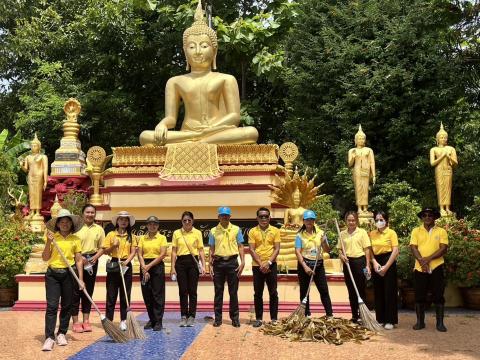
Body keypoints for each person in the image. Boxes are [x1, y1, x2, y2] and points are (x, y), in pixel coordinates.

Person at [139, 1, 258, 146]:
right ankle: (199, 141)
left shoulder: (226, 79)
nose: (197, 51)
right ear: (184, 52)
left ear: (214, 51)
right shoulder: (175, 82)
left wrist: (210, 129)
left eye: (204, 46)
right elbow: (171, 119)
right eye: (191, 46)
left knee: (251, 132)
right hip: (188, 133)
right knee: (145, 136)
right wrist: (162, 125)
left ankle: (195, 143)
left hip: (216, 131)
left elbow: (234, 117)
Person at [41, 209, 84, 351]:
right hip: (53, 274)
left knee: (67, 305)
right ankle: (49, 337)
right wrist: (49, 242)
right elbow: (45, 257)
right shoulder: (52, 237)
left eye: (67, 222)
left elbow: (78, 261)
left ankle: (61, 333)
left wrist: (80, 280)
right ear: (58, 224)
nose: (65, 224)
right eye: (62, 222)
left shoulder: (75, 239)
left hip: (69, 274)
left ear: (71, 224)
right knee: (52, 306)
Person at [409, 207, 448, 332]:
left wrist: (428, 259)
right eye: (424, 215)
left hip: (437, 267)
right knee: (419, 295)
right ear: (421, 217)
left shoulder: (441, 231)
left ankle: (440, 323)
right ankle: (420, 322)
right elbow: (413, 247)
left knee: (438, 295)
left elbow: (443, 248)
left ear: (434, 217)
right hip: (420, 268)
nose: (427, 217)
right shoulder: (416, 231)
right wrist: (422, 261)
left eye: (430, 215)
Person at [209, 206, 245, 327]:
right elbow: (211, 248)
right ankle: (218, 319)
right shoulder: (213, 231)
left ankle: (235, 318)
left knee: (233, 292)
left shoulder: (236, 229)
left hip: (232, 263)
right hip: (218, 263)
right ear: (218, 217)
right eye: (222, 215)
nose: (224, 217)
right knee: (218, 292)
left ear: (230, 217)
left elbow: (240, 246)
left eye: (226, 215)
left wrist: (243, 261)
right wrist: (210, 264)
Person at [71, 204, 105, 333]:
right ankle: (75, 322)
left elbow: (103, 247)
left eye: (92, 212)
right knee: (75, 292)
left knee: (88, 291)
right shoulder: (75, 228)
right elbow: (71, 244)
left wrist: (95, 257)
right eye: (87, 212)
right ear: (82, 213)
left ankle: (86, 320)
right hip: (77, 260)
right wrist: (79, 257)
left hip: (92, 261)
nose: (90, 215)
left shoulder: (99, 229)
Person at [102, 211, 138, 331]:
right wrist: (113, 246)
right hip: (114, 265)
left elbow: (133, 252)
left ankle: (123, 320)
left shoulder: (132, 236)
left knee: (125, 295)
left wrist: (126, 262)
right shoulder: (111, 235)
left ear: (128, 223)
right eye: (121, 219)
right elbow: (105, 251)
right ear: (117, 221)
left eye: (126, 220)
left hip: (126, 265)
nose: (123, 222)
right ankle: (110, 321)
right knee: (111, 295)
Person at [295, 210, 333, 318]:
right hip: (305, 264)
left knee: (324, 290)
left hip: (318, 264)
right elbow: (297, 252)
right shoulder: (299, 235)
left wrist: (324, 242)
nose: (309, 222)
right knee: (304, 291)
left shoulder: (321, 233)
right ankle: (306, 314)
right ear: (303, 221)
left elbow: (327, 250)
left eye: (311, 219)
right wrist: (305, 266)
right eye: (307, 220)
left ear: (314, 221)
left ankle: (329, 314)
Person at [171, 211, 206, 327]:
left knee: (192, 290)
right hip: (180, 263)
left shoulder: (197, 233)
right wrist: (172, 267)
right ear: (181, 221)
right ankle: (183, 316)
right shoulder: (176, 233)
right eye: (184, 220)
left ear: (193, 221)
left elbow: (201, 250)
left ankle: (192, 316)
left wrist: (204, 265)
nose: (187, 222)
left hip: (193, 262)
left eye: (189, 220)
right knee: (183, 291)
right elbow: (174, 251)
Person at [248, 207, 281, 327]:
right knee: (258, 293)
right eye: (261, 216)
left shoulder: (275, 230)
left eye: (266, 216)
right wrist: (261, 263)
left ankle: (274, 319)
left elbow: (277, 248)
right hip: (257, 266)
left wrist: (269, 263)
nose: (263, 218)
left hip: (271, 265)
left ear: (269, 217)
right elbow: (251, 249)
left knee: (273, 292)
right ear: (257, 218)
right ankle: (259, 318)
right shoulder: (252, 231)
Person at [338, 211, 372, 323]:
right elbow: (339, 249)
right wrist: (342, 256)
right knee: (351, 290)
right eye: (349, 220)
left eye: (353, 220)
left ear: (356, 221)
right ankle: (354, 315)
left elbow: (367, 249)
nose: (351, 222)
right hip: (347, 263)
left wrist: (367, 265)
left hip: (359, 262)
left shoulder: (362, 232)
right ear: (346, 221)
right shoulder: (342, 234)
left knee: (361, 289)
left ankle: (363, 315)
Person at [369, 211, 399, 330]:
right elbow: (369, 250)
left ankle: (390, 320)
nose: (379, 222)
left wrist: (386, 267)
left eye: (381, 220)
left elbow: (395, 251)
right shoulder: (371, 233)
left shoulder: (391, 233)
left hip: (389, 260)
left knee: (389, 291)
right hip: (376, 261)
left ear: (386, 221)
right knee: (379, 291)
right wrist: (374, 262)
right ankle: (380, 319)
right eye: (376, 220)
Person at [137, 215, 168, 331]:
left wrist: (148, 266)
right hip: (144, 266)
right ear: (147, 225)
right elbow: (139, 254)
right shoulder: (142, 238)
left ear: (158, 226)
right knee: (147, 294)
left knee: (157, 295)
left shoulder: (162, 238)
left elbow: (162, 254)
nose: (152, 226)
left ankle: (158, 321)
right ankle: (152, 319)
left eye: (155, 224)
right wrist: (144, 267)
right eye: (150, 224)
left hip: (157, 266)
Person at [430, 123, 458, 216]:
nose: (443, 139)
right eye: (441, 137)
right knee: (441, 188)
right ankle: (442, 208)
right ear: (437, 139)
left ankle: (448, 208)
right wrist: (442, 156)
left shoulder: (451, 148)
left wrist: (449, 157)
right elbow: (432, 163)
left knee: (448, 188)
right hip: (439, 170)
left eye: (445, 137)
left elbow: (455, 163)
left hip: (448, 170)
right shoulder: (433, 149)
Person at [348, 125, 376, 214]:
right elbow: (350, 163)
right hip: (357, 171)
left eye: (362, 139)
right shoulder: (352, 150)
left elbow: (372, 162)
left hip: (366, 170)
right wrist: (353, 157)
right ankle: (359, 207)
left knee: (365, 188)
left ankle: (365, 208)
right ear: (355, 140)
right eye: (359, 139)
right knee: (358, 188)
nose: (361, 140)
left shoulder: (369, 150)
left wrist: (374, 175)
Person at [20, 133, 48, 218]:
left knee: (38, 193)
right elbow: (26, 169)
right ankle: (32, 211)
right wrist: (21, 165)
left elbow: (45, 169)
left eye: (35, 146)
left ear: (39, 147)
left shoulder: (43, 157)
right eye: (32, 146)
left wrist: (45, 180)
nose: (33, 147)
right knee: (32, 194)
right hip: (31, 177)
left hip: (39, 176)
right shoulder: (28, 157)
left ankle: (38, 211)